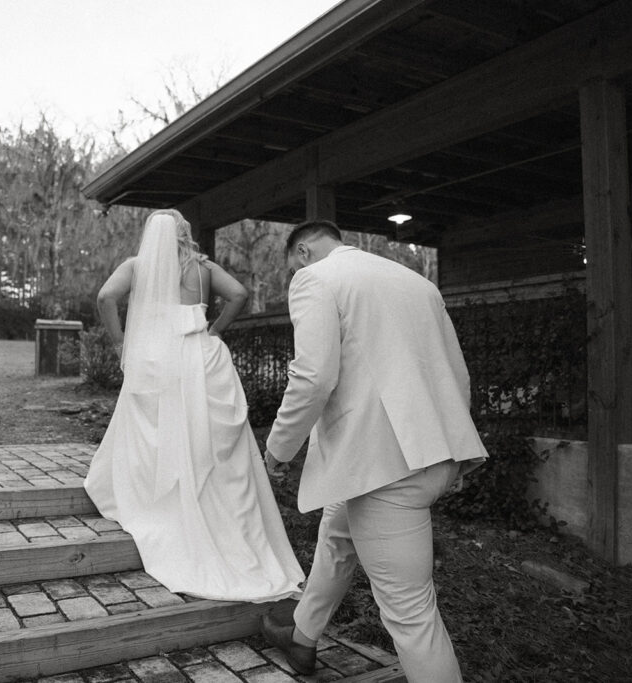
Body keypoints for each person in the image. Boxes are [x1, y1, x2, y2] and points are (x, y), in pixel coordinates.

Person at [260, 219, 488, 682]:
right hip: (422, 457)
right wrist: (455, 451)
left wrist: (278, 449)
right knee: (337, 537)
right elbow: (456, 373)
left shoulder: (314, 278)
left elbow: (314, 377)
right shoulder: (417, 282)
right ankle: (302, 639)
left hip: (386, 469)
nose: (291, 277)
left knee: (410, 614)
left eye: (289, 268)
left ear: (302, 252)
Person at [84, 209, 304, 603]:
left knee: (153, 429)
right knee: (204, 435)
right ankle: (213, 505)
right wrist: (216, 329)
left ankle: (158, 498)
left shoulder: (137, 266)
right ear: (184, 233)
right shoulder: (202, 268)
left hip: (155, 356)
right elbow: (239, 293)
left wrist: (120, 340)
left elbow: (105, 296)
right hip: (201, 356)